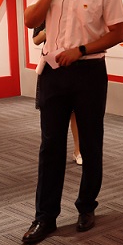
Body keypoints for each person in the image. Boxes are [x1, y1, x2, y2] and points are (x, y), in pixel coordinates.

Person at [22, 0, 123, 245]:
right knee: (50, 146)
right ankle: (45, 217)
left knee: (91, 143)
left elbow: (118, 33)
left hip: (88, 72)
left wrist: (80, 50)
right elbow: (29, 20)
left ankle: (86, 206)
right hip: (54, 72)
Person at [32, 24, 82, 166]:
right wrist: (50, 29)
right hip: (51, 67)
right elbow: (36, 40)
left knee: (75, 113)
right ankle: (54, 155)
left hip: (74, 64)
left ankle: (78, 151)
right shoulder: (43, 14)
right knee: (52, 115)